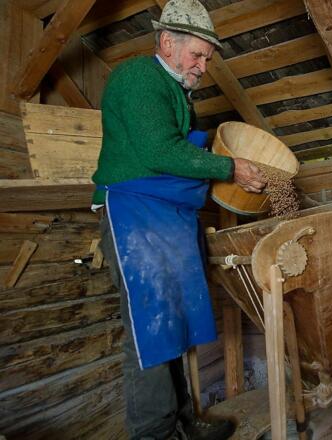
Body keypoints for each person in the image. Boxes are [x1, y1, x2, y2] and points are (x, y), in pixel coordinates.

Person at [92, 0, 266, 438]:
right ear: (168, 43)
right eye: (198, 55)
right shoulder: (138, 78)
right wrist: (230, 168)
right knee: (151, 330)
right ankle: (155, 432)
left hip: (165, 217)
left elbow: (177, 151)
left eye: (207, 58)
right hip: (134, 214)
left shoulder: (179, 94)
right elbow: (159, 151)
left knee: (174, 324)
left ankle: (185, 423)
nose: (203, 67)